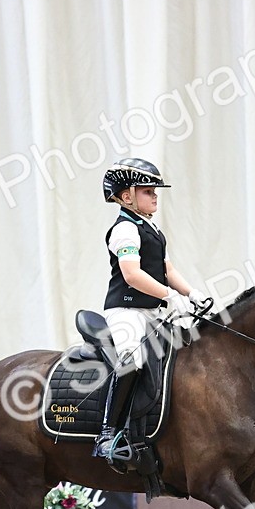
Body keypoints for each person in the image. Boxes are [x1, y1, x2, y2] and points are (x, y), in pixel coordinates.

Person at [93, 158, 207, 463]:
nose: (155, 195)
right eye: (147, 190)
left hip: (152, 310)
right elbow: (132, 275)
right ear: (126, 196)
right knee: (133, 360)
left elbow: (165, 267)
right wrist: (170, 296)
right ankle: (107, 432)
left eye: (155, 190)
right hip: (126, 310)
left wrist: (191, 293)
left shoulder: (151, 228)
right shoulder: (125, 230)